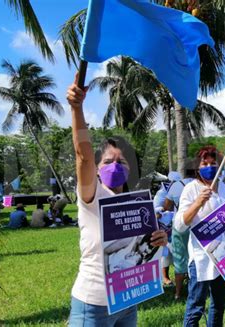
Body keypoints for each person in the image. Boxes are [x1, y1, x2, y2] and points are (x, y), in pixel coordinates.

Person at [66, 76, 168, 326]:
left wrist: (159, 239)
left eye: (120, 162)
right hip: (93, 304)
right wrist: (77, 109)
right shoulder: (93, 196)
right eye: (107, 161)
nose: (114, 166)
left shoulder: (138, 203)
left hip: (126, 301)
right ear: (98, 168)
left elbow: (147, 244)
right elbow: (83, 157)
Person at [174, 146, 225, 327]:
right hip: (201, 257)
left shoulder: (222, 187)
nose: (209, 166)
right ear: (197, 167)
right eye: (205, 163)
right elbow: (180, 224)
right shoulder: (191, 188)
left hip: (223, 254)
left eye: (213, 163)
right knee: (196, 305)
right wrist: (198, 202)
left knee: (219, 303)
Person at [164, 165, 196, 300]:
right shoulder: (198, 185)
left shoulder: (176, 185)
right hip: (196, 224)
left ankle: (178, 293)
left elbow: (166, 206)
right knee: (195, 256)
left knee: (179, 258)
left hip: (180, 224)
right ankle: (196, 290)